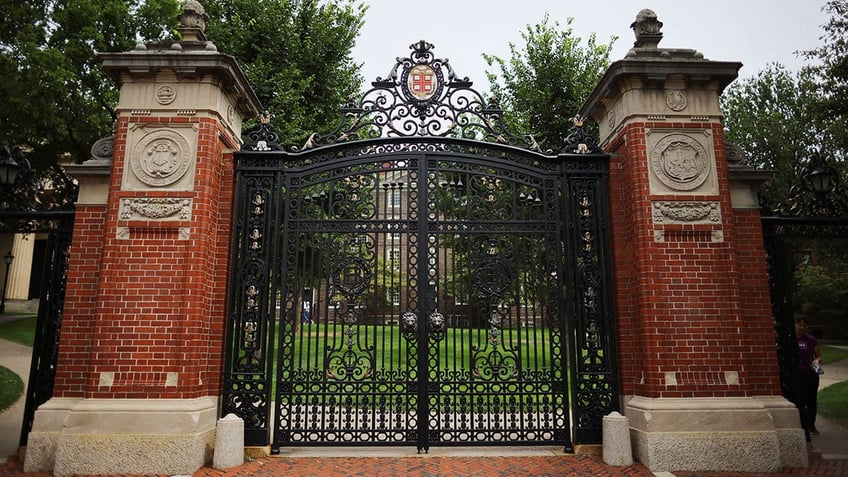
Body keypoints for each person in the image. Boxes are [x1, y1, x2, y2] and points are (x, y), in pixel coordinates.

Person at [795, 316, 822, 442]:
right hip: (799, 374)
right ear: (795, 325)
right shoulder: (790, 340)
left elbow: (818, 356)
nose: (802, 328)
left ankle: (811, 425)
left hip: (811, 373)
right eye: (800, 325)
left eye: (804, 326)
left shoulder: (811, 340)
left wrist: (816, 362)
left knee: (812, 400)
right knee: (801, 400)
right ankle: (802, 425)